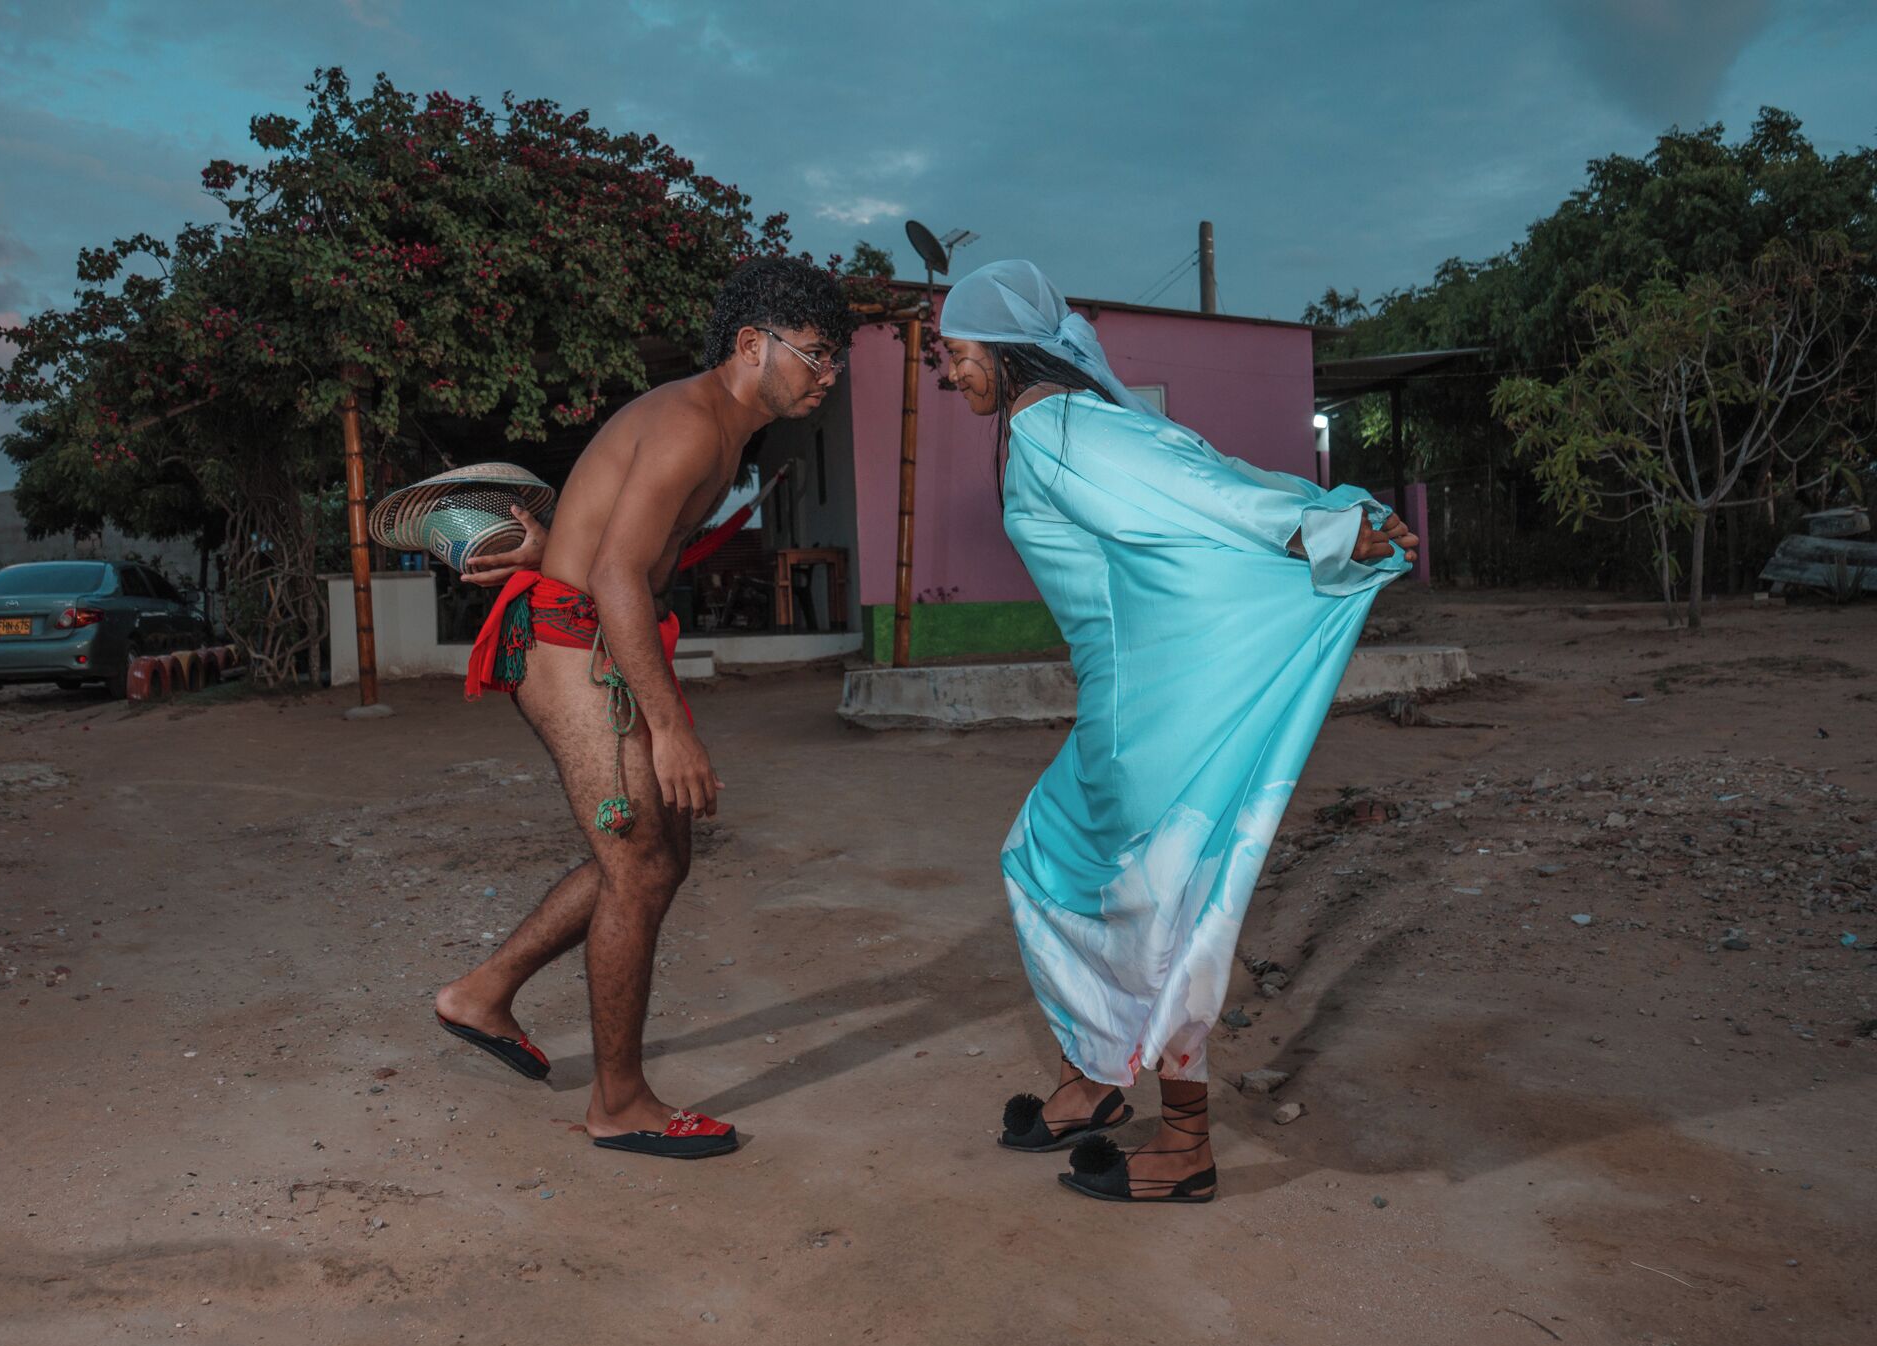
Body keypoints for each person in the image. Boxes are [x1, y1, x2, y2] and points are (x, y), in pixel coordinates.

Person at [937, 260, 1416, 1203]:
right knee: (1044, 856)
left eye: (954, 356)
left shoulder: (1056, 427)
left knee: (1158, 910)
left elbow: (1202, 492)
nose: (950, 375)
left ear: (1001, 350)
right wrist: (1320, 518)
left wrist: (1318, 529)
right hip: (1121, 701)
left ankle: (1187, 1138)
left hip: (1147, 717)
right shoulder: (1061, 427)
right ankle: (1098, 1078)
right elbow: (1201, 476)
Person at [434, 257, 854, 1160]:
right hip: (566, 643)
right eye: (817, 355)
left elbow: (611, 546)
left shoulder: (716, 429)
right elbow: (620, 573)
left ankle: (483, 992)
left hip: (585, 632)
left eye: (835, 358)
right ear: (753, 345)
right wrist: (670, 729)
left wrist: (559, 544)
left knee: (657, 858)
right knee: (639, 865)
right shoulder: (691, 428)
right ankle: (618, 1102)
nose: (830, 375)